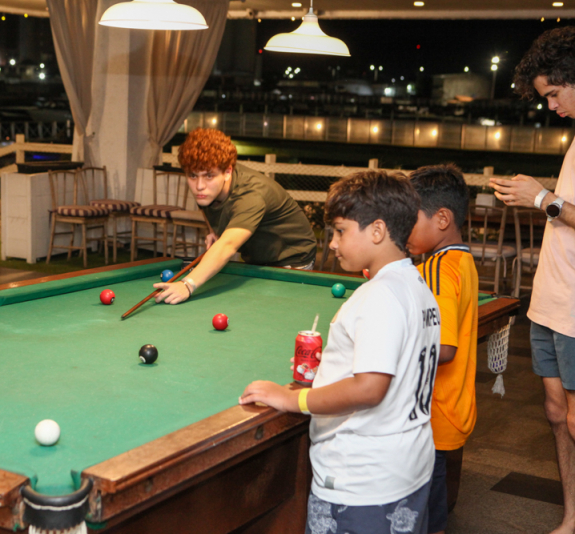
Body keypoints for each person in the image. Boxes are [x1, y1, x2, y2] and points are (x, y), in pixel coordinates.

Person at [240, 170, 440, 534]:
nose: (332, 243)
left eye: (341, 230)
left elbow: (369, 388)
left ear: (377, 231)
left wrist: (290, 399)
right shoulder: (417, 285)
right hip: (408, 467)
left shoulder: (378, 295)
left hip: (363, 482)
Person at [491, 26, 575, 534]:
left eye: (553, 94)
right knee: (553, 412)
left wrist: (543, 200)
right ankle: (572, 516)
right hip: (549, 300)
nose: (550, 106)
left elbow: (563, 209)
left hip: (574, 309)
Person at [154, 128, 316, 304]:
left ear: (228, 172)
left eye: (209, 176)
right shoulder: (208, 191)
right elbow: (206, 205)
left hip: (292, 260)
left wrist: (187, 285)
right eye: (192, 176)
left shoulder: (250, 195)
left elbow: (228, 246)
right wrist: (214, 231)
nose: (199, 186)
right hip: (258, 259)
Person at [407, 164, 479, 534]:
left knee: (424, 513)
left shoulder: (436, 268)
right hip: (452, 409)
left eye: (410, 219)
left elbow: (444, 347)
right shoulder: (462, 260)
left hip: (432, 416)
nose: (403, 229)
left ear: (442, 219)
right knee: (434, 511)